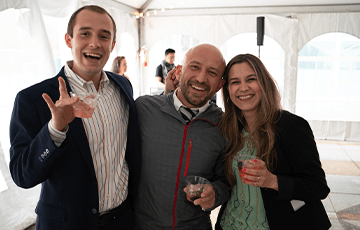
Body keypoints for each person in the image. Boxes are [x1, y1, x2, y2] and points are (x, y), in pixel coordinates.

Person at [9, 5, 140, 230]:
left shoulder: (123, 86)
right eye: (85, 33)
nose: (95, 43)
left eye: (104, 36)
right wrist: (55, 129)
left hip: (123, 221)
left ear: (112, 45)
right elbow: (23, 175)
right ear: (69, 40)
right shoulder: (33, 99)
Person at [215, 54, 331, 230]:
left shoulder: (292, 126)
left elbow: (318, 187)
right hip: (230, 224)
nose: (243, 88)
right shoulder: (229, 128)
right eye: (235, 82)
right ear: (228, 90)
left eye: (251, 79)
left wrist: (272, 181)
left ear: (264, 83)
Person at [134, 44, 229, 230]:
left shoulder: (225, 126)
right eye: (194, 67)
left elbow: (227, 181)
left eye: (212, 72)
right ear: (178, 71)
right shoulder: (143, 109)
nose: (201, 78)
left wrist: (215, 193)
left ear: (220, 84)